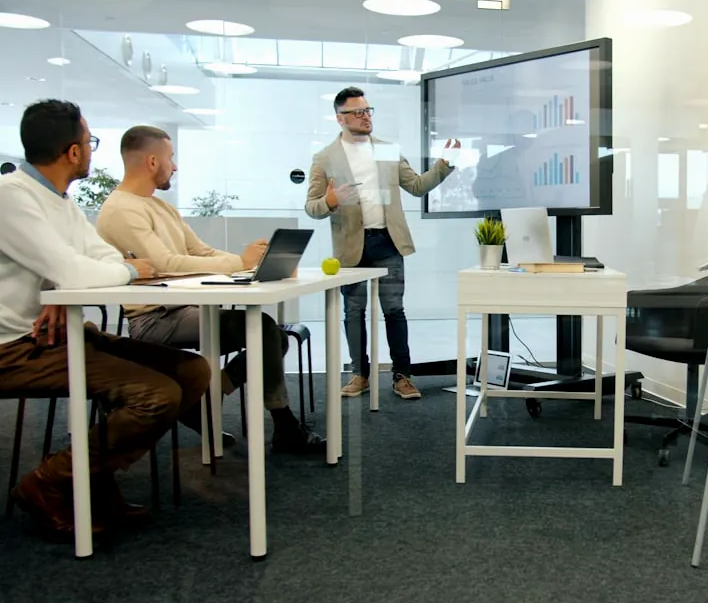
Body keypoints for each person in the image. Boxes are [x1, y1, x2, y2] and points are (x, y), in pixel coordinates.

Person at [0, 100, 211, 539]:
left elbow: (99, 259)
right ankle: (49, 483)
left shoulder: (59, 201)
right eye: (89, 142)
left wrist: (68, 282)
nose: (93, 152)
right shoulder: (12, 197)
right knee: (155, 395)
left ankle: (89, 477)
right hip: (14, 348)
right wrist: (125, 271)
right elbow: (86, 269)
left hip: (58, 334)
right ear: (72, 153)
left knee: (191, 370)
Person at [96, 125, 325, 454]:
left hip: (188, 309)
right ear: (151, 161)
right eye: (170, 158)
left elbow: (200, 252)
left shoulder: (161, 207)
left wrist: (247, 263)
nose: (174, 166)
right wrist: (238, 263)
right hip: (154, 319)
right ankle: (282, 424)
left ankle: (205, 398)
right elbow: (165, 263)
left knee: (273, 335)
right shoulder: (121, 209)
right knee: (261, 329)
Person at [305, 86, 459, 400]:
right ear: (340, 118)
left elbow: (416, 186)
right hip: (351, 247)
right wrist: (331, 201)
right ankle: (359, 374)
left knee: (394, 310)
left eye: (368, 110)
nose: (365, 117)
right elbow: (312, 207)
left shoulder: (387, 149)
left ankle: (403, 376)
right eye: (357, 112)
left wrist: (444, 164)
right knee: (354, 312)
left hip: (388, 242)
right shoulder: (324, 158)